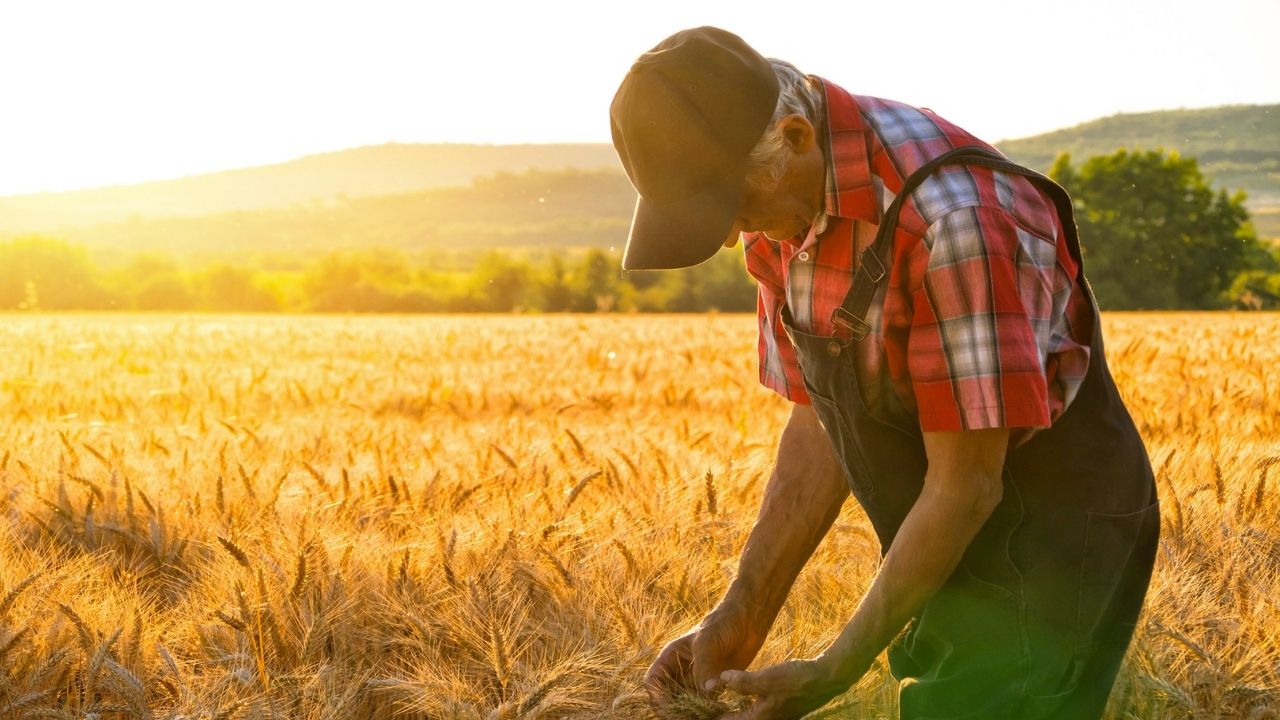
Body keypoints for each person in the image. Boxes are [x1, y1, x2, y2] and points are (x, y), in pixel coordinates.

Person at [609, 26, 1160, 720]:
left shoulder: (955, 223)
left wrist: (838, 667)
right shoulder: (788, 201)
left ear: (798, 137)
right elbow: (818, 424)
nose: (728, 237)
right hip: (932, 534)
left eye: (732, 207)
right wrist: (739, 617)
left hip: (1046, 538)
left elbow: (967, 486)